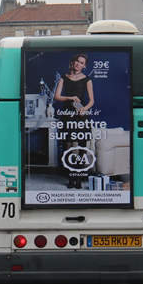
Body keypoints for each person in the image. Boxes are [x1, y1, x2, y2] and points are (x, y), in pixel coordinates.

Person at [54, 53, 95, 189]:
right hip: (67, 114)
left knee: (82, 146)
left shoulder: (87, 79)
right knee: (68, 146)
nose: (78, 64)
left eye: (82, 63)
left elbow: (92, 101)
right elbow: (57, 96)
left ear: (84, 66)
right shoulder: (64, 77)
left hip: (81, 114)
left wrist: (84, 109)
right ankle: (71, 176)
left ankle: (79, 177)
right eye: (77, 61)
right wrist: (70, 98)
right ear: (74, 62)